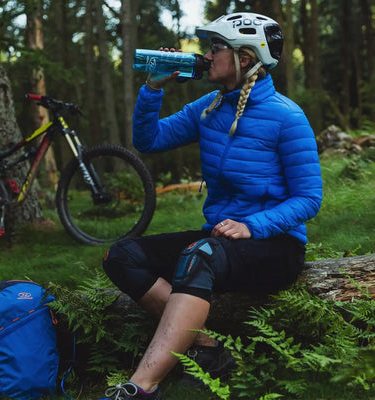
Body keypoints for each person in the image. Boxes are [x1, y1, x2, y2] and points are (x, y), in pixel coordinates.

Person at [99, 12, 322, 400]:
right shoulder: (209, 107)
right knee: (122, 255)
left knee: (199, 253)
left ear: (246, 58)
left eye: (217, 47)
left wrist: (253, 226)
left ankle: (141, 386)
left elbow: (309, 198)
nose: (208, 54)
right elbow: (149, 140)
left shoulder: (287, 117)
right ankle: (207, 348)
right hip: (221, 241)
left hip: (275, 245)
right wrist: (153, 87)